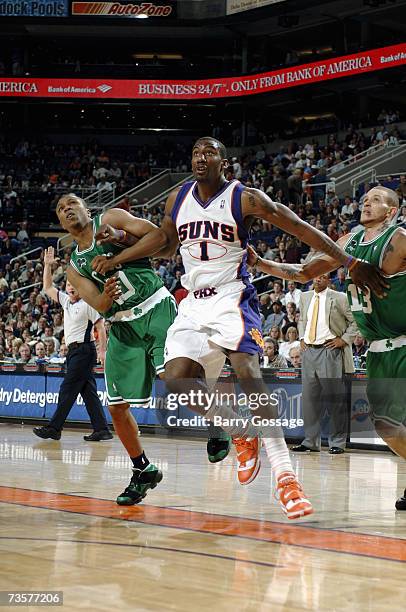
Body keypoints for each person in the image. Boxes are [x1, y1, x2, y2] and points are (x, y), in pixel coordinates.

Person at [95, 136, 384, 520]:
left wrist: (348, 263)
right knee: (177, 379)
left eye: (209, 152)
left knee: (247, 370)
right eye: (196, 151)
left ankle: (285, 475)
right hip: (194, 301)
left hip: (232, 295)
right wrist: (121, 246)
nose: (201, 157)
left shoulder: (245, 198)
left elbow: (299, 229)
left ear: (224, 162)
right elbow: (166, 244)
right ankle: (239, 431)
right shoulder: (177, 199)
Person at [247, 185, 406, 510]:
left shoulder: (399, 238)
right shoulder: (348, 243)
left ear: (391, 211)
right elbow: (304, 273)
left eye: (377, 200)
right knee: (385, 425)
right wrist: (261, 262)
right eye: (365, 198)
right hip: (378, 350)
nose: (367, 202)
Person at [55, 195, 177, 505]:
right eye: (60, 209)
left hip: (155, 307)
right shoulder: (73, 269)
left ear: (86, 208)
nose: (67, 209)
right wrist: (107, 295)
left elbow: (160, 238)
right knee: (117, 407)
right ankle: (142, 469)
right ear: (61, 223)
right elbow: (99, 305)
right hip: (122, 325)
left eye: (71, 203)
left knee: (174, 376)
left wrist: (117, 254)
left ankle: (222, 423)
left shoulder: (110, 218)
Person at [33, 247, 113, 443]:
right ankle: (102, 429)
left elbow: (100, 327)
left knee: (67, 388)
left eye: (74, 285)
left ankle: (54, 428)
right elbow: (48, 287)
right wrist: (47, 266)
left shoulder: (88, 303)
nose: (70, 287)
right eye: (68, 284)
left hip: (84, 351)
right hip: (74, 352)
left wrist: (102, 350)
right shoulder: (66, 302)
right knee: (88, 392)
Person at [293, 274, 357, 454]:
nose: (317, 279)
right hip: (308, 351)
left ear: (329, 280)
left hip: (330, 351)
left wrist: (344, 340)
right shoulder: (305, 296)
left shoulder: (340, 297)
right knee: (309, 400)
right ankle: (311, 441)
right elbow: (302, 320)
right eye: (316, 277)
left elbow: (356, 321)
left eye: (322, 277)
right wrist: (301, 338)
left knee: (334, 399)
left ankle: (337, 443)